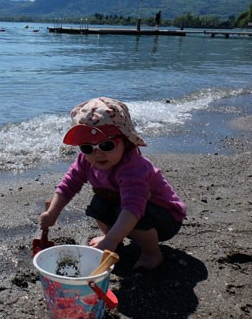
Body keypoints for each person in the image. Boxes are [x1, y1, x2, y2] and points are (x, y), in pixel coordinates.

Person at [39, 97, 186, 270]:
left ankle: (151, 253)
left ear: (125, 140)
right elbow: (69, 183)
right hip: (125, 208)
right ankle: (112, 238)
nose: (97, 154)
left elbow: (133, 208)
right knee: (98, 204)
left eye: (106, 145)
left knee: (136, 213)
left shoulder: (134, 168)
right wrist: (53, 212)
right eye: (87, 147)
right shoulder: (86, 160)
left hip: (164, 218)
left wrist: (112, 240)